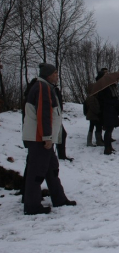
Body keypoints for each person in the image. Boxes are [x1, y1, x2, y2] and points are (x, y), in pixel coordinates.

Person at [22, 63, 76, 215]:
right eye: (55, 73)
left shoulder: (44, 87)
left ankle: (59, 198)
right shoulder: (42, 88)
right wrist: (46, 137)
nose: (57, 75)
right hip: (40, 139)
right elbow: (43, 114)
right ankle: (32, 206)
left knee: (51, 169)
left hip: (43, 138)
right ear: (48, 74)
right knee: (37, 172)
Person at [98, 82, 119, 155]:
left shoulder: (112, 88)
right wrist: (118, 102)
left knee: (110, 129)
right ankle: (107, 148)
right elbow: (107, 101)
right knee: (108, 130)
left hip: (112, 110)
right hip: (108, 111)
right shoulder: (105, 89)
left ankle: (109, 146)